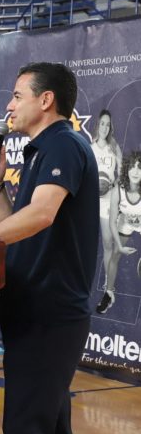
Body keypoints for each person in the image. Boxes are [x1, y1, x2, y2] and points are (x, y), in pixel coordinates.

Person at [0, 62, 98, 434]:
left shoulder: (63, 145)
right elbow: (23, 228)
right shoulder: (42, 150)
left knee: (26, 430)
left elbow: (42, 214)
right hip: (35, 311)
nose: (9, 106)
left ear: (46, 100)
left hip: (48, 315)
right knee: (51, 430)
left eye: (17, 96)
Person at [100, 150, 141, 313]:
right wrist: (120, 246)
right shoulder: (119, 189)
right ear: (127, 169)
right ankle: (109, 293)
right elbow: (112, 221)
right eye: (132, 167)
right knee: (115, 254)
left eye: (140, 167)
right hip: (126, 222)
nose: (135, 171)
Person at [91, 109, 123, 313]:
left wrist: (113, 184)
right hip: (92, 200)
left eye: (108, 124)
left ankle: (108, 286)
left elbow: (122, 173)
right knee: (87, 244)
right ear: (97, 125)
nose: (105, 127)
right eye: (102, 123)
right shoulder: (90, 147)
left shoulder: (114, 147)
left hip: (109, 200)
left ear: (111, 127)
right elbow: (84, 172)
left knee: (109, 243)